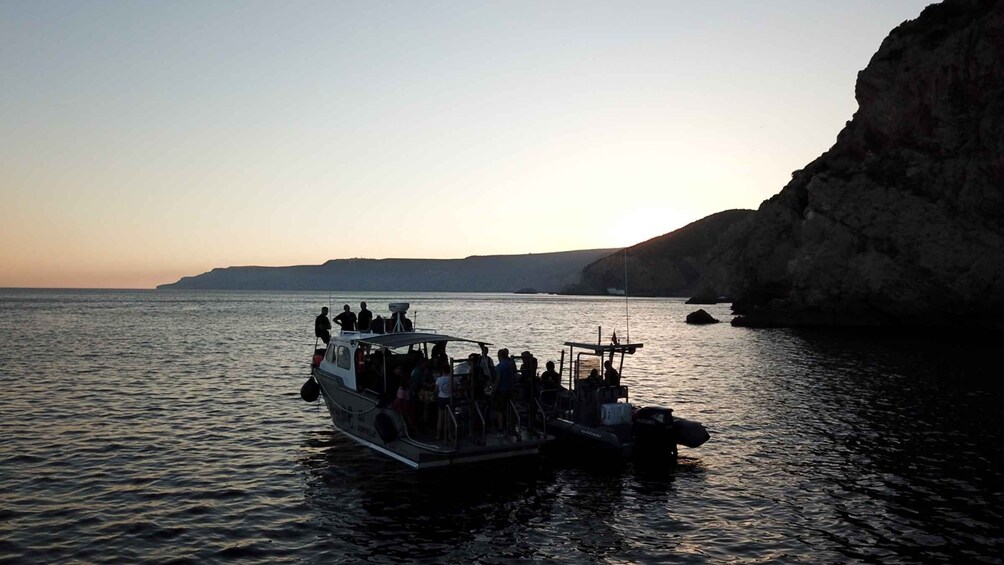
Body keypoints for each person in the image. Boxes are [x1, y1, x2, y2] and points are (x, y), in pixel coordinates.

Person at [492, 348, 515, 433]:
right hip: (509, 389)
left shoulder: (500, 366)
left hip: (501, 390)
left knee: (499, 409)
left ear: (499, 356)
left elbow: (498, 379)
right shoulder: (510, 365)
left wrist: (494, 390)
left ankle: (500, 427)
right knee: (507, 407)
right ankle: (509, 424)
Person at [435, 367, 453, 440]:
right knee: (449, 418)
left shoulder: (439, 379)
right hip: (449, 398)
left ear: (442, 371)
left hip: (441, 398)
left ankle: (438, 435)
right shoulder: (451, 378)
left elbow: (436, 389)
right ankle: (449, 435)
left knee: (440, 418)